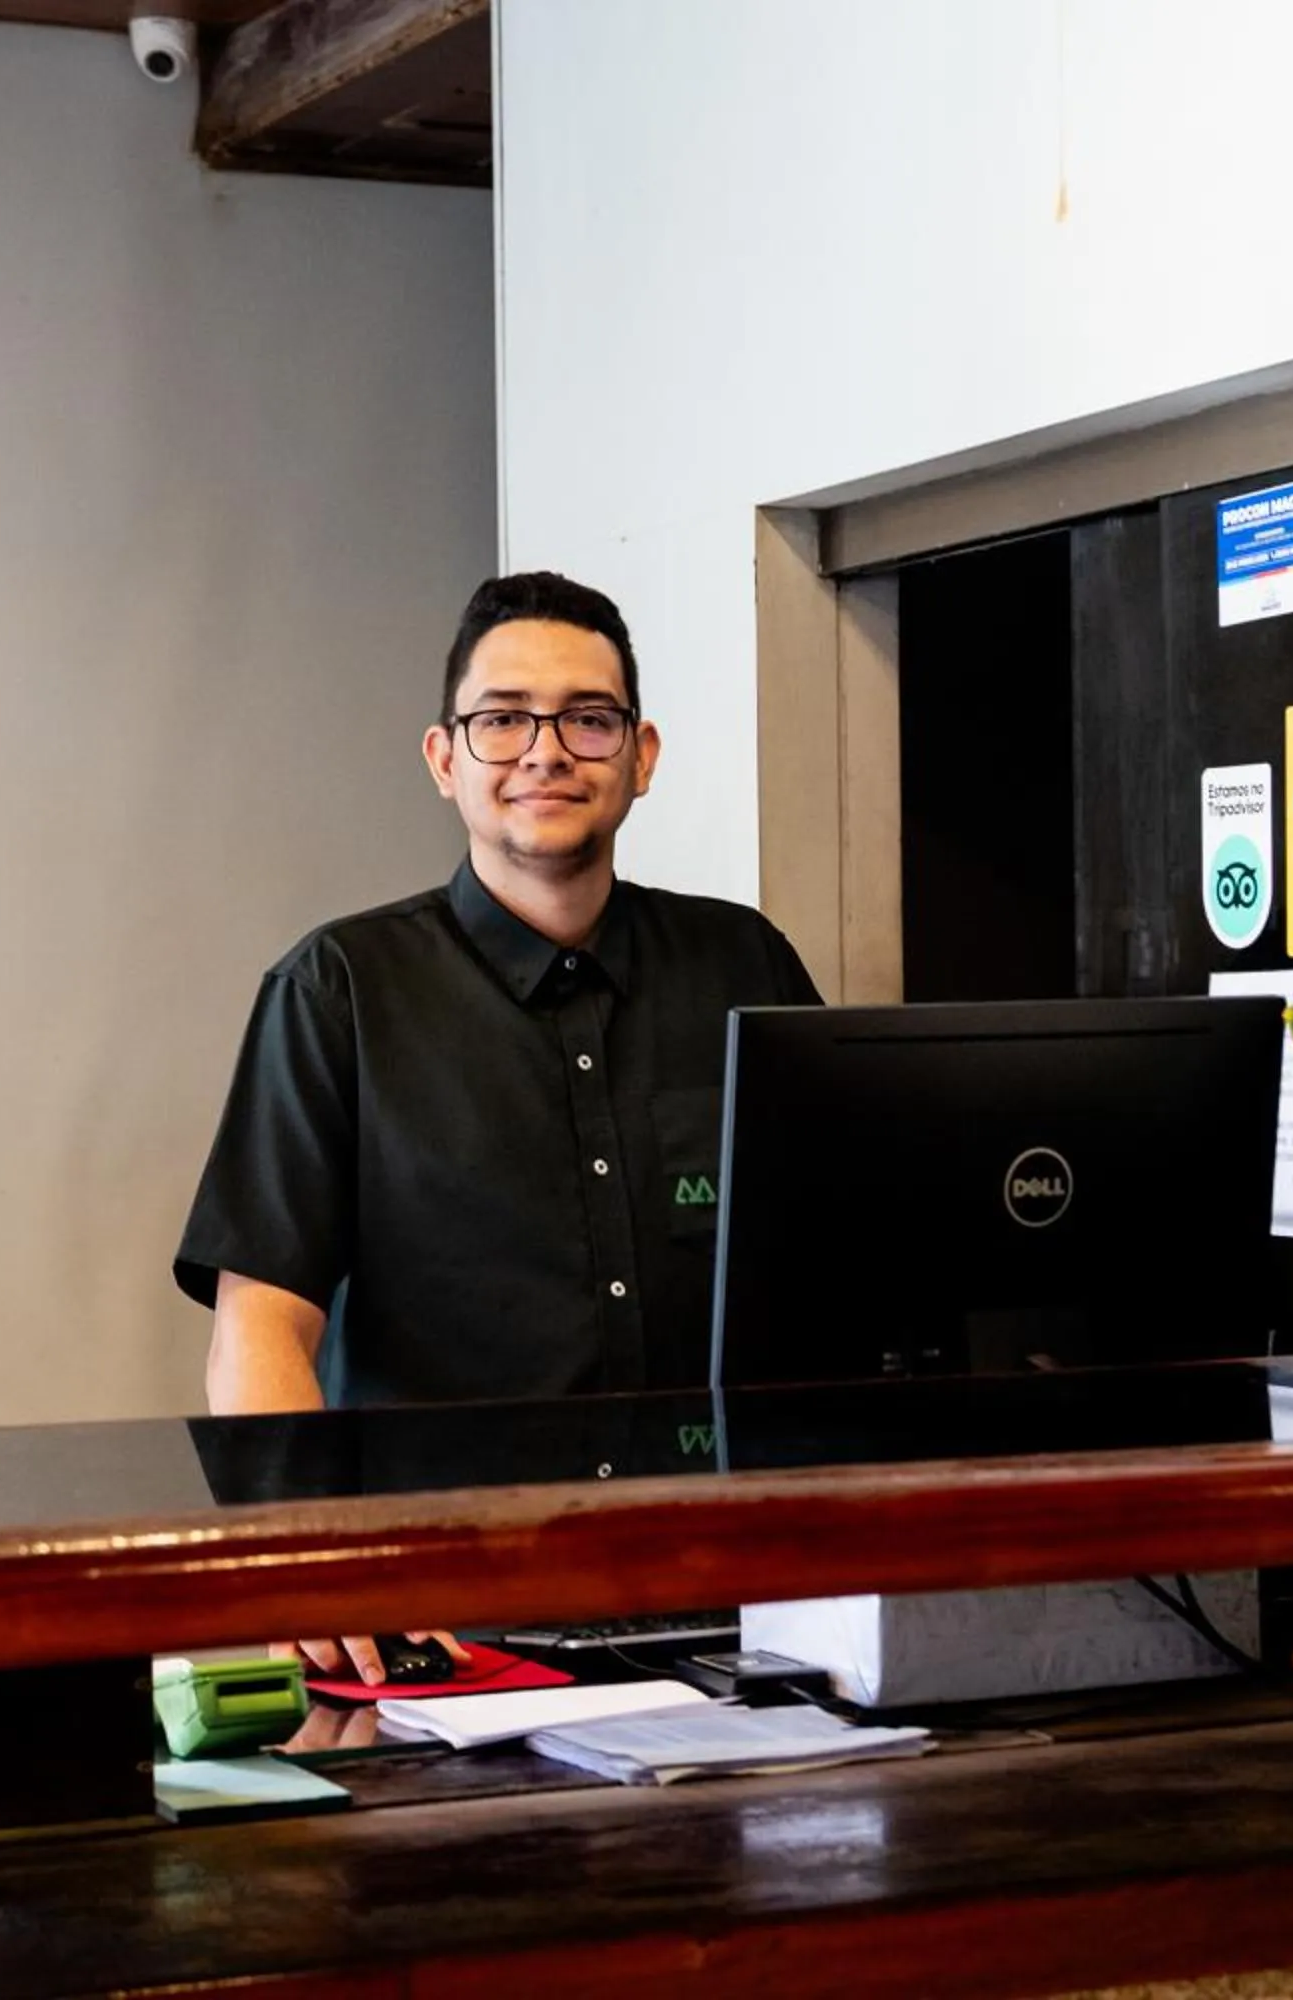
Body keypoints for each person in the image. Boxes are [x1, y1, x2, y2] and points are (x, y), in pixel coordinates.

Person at [175, 571, 821, 1680]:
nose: (545, 749)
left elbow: (842, 1277)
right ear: (444, 758)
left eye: (588, 717)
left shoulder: (744, 965)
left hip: (729, 1612)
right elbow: (261, 1325)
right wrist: (305, 1550)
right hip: (447, 1625)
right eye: (502, 718)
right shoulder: (341, 989)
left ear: (642, 754)